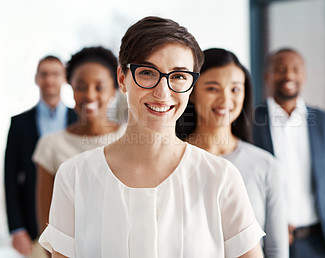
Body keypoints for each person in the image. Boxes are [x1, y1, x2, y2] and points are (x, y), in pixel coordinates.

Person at [38, 17, 264, 258]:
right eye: (147, 72)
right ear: (122, 79)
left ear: (191, 86)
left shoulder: (221, 178)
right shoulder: (74, 176)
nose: (162, 92)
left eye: (178, 76)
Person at [176, 48, 288, 258]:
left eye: (235, 89)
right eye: (212, 88)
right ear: (191, 93)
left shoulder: (266, 166)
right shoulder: (170, 161)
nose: (225, 99)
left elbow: (276, 249)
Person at [252, 48, 325, 258]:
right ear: (267, 76)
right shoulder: (249, 121)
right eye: (280, 69)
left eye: (295, 69)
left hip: (319, 243)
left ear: (304, 75)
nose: (289, 75)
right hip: (266, 242)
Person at [32, 46, 125, 238]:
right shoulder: (51, 145)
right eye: (81, 87)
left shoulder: (130, 139)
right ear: (71, 87)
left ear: (114, 90)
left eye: (99, 87)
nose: (89, 95)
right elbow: (47, 224)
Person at [4, 56, 77, 257]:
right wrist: (16, 229)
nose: (49, 80)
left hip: (75, 227)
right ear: (36, 79)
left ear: (64, 79)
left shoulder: (79, 120)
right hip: (33, 228)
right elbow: (10, 178)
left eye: (55, 74)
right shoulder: (19, 123)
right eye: (44, 74)